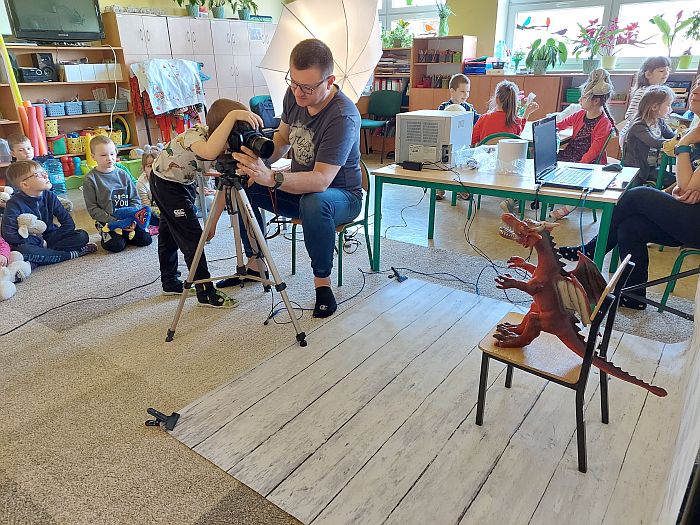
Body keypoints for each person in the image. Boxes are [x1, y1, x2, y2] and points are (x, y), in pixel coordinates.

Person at [216, 39, 363, 318]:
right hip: (301, 190)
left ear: (329, 81)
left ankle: (322, 285)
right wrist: (256, 165)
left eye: (307, 87)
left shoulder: (342, 116)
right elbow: (282, 140)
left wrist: (272, 177)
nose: (298, 92)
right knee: (245, 185)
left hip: (341, 197)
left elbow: (321, 180)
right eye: (293, 83)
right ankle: (255, 263)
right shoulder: (293, 95)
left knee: (314, 201)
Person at [559, 76, 700, 310]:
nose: (695, 90)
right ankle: (633, 297)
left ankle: (591, 250)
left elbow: (689, 185)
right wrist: (673, 189)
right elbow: (685, 185)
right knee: (630, 226)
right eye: (697, 84)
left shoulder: (693, 135)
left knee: (637, 195)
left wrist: (684, 143)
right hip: (689, 213)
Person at [149, 98, 263, 307]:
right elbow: (209, 151)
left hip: (184, 182)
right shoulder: (197, 135)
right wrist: (232, 116)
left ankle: (169, 282)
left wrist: (212, 222)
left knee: (169, 232)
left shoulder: (226, 145)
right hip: (166, 183)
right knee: (191, 237)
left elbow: (225, 187)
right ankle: (205, 291)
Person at [548, 69, 616, 220]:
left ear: (595, 101)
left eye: (584, 97)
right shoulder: (580, 114)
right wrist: (548, 126)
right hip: (570, 154)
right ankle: (531, 197)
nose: (580, 100)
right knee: (544, 163)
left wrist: (579, 165)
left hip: (587, 162)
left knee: (575, 175)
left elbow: (594, 151)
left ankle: (567, 207)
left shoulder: (603, 123)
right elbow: (561, 124)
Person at [1, 160, 96, 265]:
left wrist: (55, 237)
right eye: (38, 174)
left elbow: (68, 223)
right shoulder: (13, 204)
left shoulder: (50, 196)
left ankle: (44, 257)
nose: (46, 175)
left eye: (44, 171)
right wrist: (39, 242)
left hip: (52, 237)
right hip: (31, 242)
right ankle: (69, 255)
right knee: (23, 251)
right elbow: (10, 235)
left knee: (82, 236)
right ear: (25, 184)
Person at [83, 135, 152, 253]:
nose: (109, 158)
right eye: (103, 155)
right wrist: (114, 221)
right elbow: (93, 208)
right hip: (108, 221)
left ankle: (126, 234)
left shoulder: (123, 174)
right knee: (116, 245)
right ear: (93, 156)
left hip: (129, 218)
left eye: (112, 154)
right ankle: (107, 232)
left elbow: (135, 199)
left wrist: (133, 218)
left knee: (145, 240)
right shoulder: (90, 179)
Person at [436, 73, 479, 201]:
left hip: (463, 145)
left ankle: (461, 189)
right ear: (452, 91)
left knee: (463, 167)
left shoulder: (469, 108)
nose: (466, 95)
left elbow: (479, 121)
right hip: (446, 144)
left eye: (468, 91)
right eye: (462, 91)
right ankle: (439, 189)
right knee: (442, 165)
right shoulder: (443, 107)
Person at [622, 85, 675, 187]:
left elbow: (671, 135)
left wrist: (682, 137)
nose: (671, 110)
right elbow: (654, 142)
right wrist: (673, 142)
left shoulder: (660, 122)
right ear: (654, 107)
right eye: (668, 105)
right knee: (634, 190)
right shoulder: (639, 125)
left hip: (651, 167)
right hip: (636, 168)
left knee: (672, 180)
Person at [7, 132, 73, 212]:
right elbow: (12, 191)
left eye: (29, 148)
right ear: (13, 154)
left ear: (33, 149)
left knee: (65, 205)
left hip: (44, 195)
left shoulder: (39, 164)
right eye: (21, 150)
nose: (27, 152)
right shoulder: (13, 170)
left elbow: (47, 183)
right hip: (25, 199)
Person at [619, 56, 671, 145]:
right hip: (633, 138)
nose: (666, 73)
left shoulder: (661, 93)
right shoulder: (642, 92)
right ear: (648, 74)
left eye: (668, 70)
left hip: (650, 129)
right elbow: (629, 115)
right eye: (661, 71)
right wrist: (644, 120)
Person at [471, 80, 539, 146]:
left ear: (497, 99)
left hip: (486, 153)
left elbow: (472, 140)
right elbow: (517, 137)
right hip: (509, 154)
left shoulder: (484, 118)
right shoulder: (516, 121)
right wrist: (526, 114)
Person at [135, 151, 161, 235]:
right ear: (144, 168)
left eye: (156, 165)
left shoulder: (165, 177)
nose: (153, 169)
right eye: (150, 166)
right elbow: (146, 207)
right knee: (145, 217)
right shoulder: (141, 183)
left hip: (166, 209)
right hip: (153, 213)